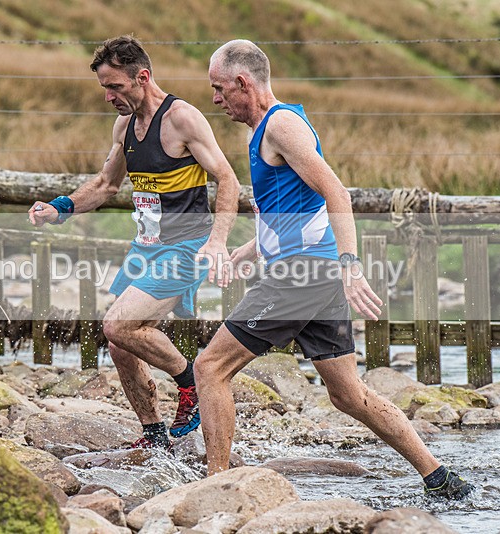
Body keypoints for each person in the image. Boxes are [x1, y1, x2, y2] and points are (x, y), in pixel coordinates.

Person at [195, 39, 473, 499]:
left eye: (219, 88)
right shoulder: (266, 128)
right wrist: (245, 253)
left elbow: (336, 193)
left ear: (243, 82)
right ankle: (440, 478)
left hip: (303, 276)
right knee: (348, 395)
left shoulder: (281, 125)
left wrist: (350, 265)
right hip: (311, 274)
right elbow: (292, 214)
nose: (215, 98)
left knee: (209, 369)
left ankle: (215, 488)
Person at [30, 35, 240, 449]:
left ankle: (190, 382)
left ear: (142, 77)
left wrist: (217, 242)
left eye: (116, 87)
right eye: (105, 88)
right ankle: (154, 434)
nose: (108, 96)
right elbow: (107, 184)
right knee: (119, 343)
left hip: (185, 247)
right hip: (146, 247)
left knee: (118, 324)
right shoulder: (124, 126)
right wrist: (60, 208)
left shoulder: (183, 119)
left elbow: (228, 179)